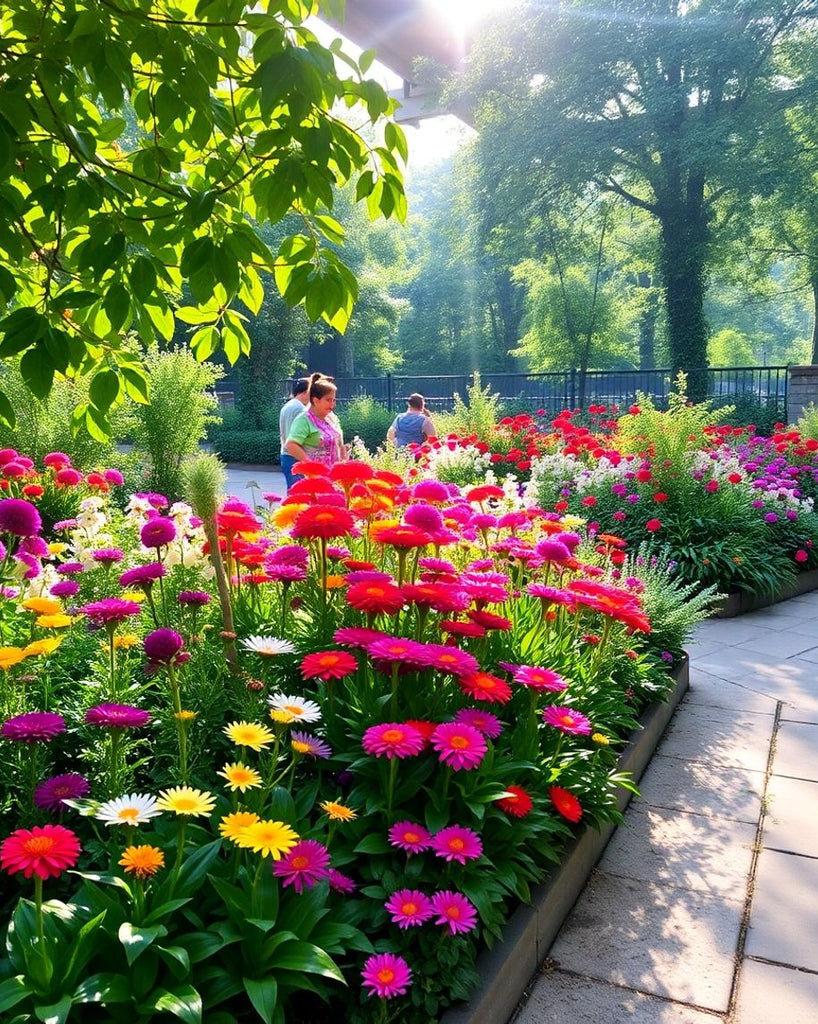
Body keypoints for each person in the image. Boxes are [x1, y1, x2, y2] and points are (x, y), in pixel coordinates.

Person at [284, 373, 347, 473]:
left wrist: (344, 463)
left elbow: (340, 444)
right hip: (316, 477)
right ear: (315, 400)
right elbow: (291, 445)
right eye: (328, 400)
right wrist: (310, 465)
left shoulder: (332, 418)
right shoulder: (304, 419)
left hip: (334, 475)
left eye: (334, 400)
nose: (332, 404)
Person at [279, 378, 310, 491]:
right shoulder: (300, 409)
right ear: (305, 392)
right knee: (299, 495)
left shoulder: (287, 406)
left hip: (286, 455)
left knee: (293, 492)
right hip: (295, 456)